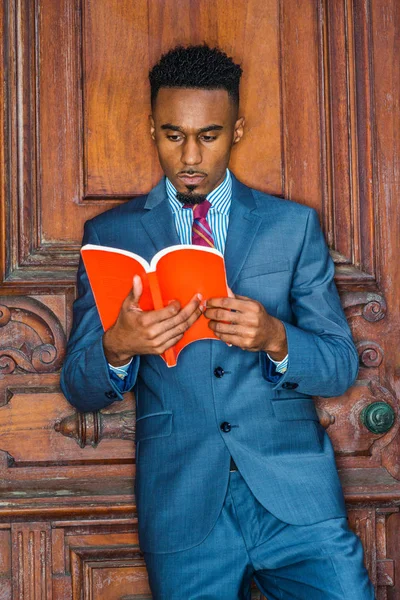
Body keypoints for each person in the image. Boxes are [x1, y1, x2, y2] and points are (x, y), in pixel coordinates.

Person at [61, 44, 375, 599]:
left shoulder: (292, 226)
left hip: (298, 503)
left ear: (237, 131)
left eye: (208, 135)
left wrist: (276, 337)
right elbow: (79, 387)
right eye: (172, 135)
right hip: (183, 506)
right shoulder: (110, 237)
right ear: (151, 130)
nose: (190, 156)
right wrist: (118, 347)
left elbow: (339, 365)